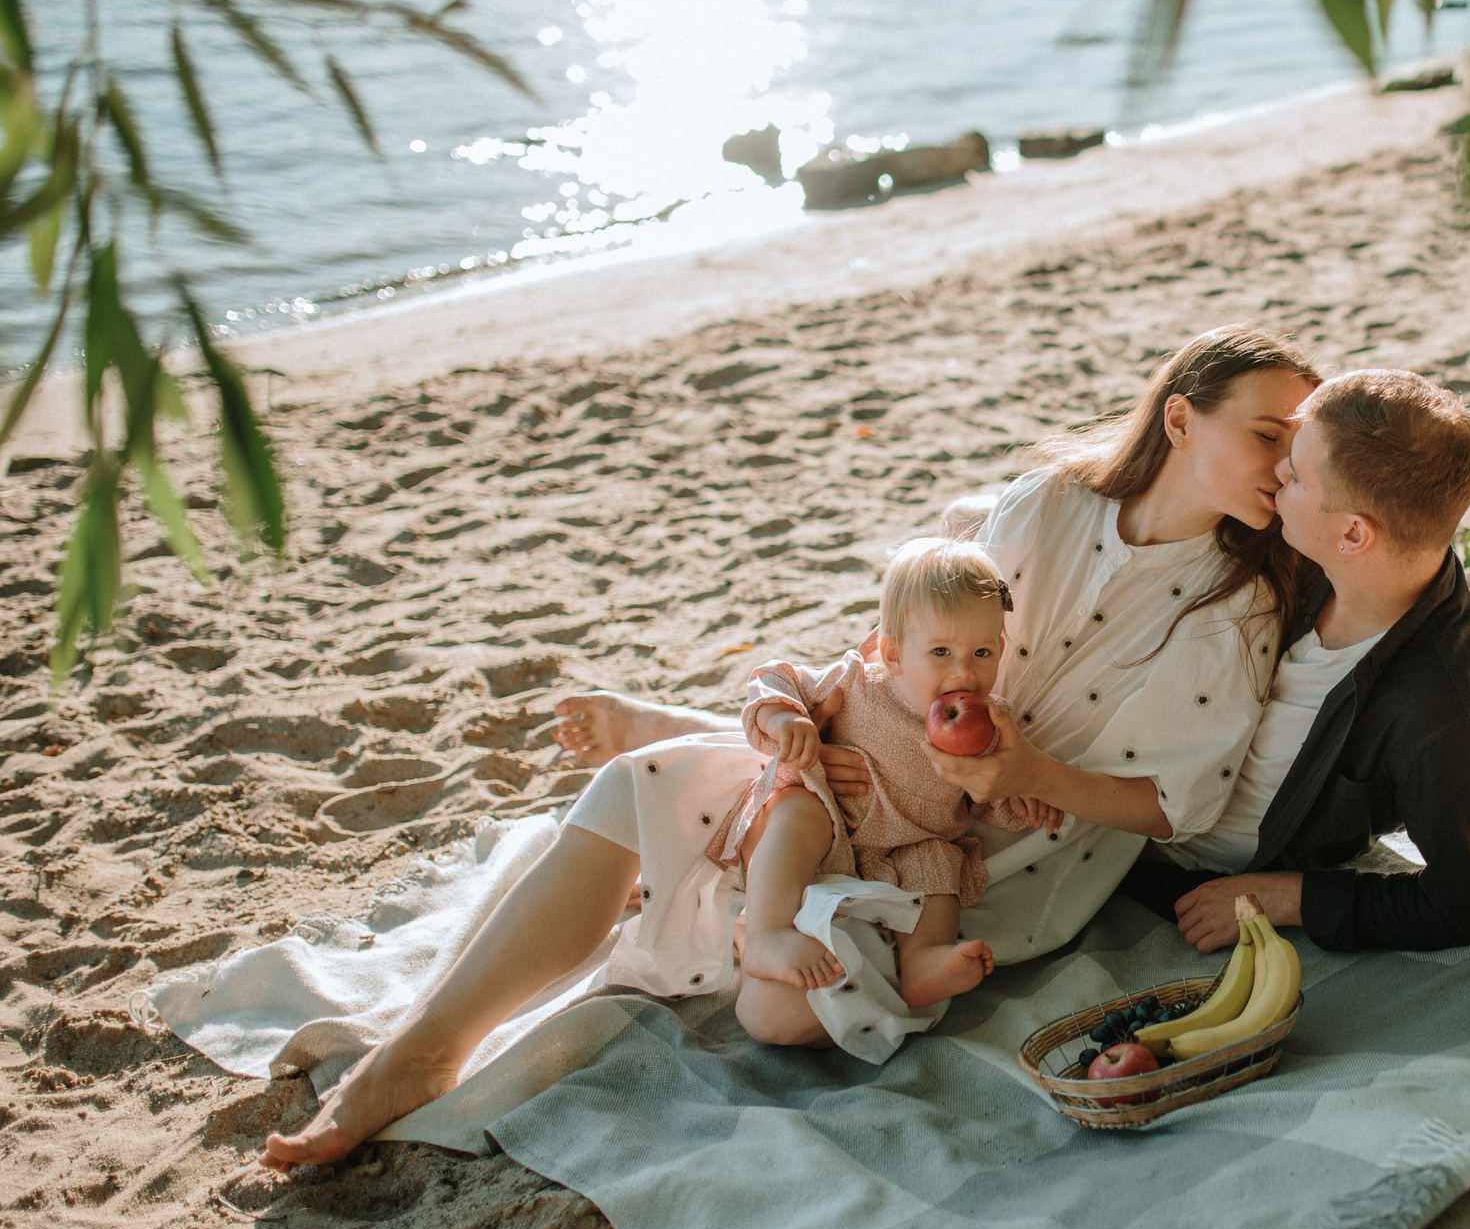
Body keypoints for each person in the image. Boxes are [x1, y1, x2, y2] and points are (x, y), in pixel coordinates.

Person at [264, 325, 1320, 1169]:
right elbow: (918, 640)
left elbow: (1175, 804)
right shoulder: (1048, 503)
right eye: (1268, 433)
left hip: (992, 848)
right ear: (1181, 418)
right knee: (644, 785)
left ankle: (682, 746)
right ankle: (423, 1049)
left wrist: (1022, 775)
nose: (1285, 462)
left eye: (1298, 443)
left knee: (752, 890)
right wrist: (838, 728)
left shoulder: (1233, 608)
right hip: (878, 763)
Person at [1120, 367, 1470, 953]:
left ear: (1354, 534)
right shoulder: (1301, 553)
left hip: (1161, 868)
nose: (1276, 472)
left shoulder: (1449, 712)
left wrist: (1287, 897)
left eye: (1297, 475)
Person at [720, 537, 1057, 1018]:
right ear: (893, 653)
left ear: (1001, 649)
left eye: (981, 652)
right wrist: (783, 720)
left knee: (942, 866)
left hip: (911, 843)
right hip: (836, 821)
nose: (964, 672)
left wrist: (1022, 795)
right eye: (940, 651)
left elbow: (986, 790)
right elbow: (776, 678)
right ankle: (767, 934)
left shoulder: (988, 723)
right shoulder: (858, 682)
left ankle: (921, 964)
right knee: (797, 810)